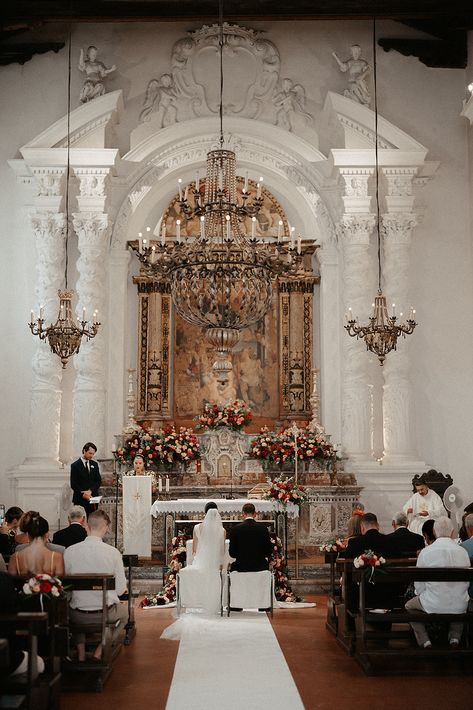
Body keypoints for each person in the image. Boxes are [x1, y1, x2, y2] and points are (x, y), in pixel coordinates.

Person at [64, 510, 127, 662]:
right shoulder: (113, 553)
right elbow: (119, 590)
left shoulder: (69, 551)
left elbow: (65, 586)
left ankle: (80, 653)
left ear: (86, 525)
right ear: (105, 527)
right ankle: (99, 650)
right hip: (104, 613)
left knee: (74, 603)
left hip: (77, 614)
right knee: (125, 615)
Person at [405, 517, 470, 648]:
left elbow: (419, 585)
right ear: (452, 532)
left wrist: (426, 595)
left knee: (409, 606)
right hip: (459, 605)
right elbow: (466, 583)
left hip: (433, 603)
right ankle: (455, 638)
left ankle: (425, 641)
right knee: (461, 603)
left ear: (434, 532)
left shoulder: (425, 552)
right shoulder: (463, 552)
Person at [8, 513, 64, 577]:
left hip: (22, 587)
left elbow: (10, 583)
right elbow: (60, 582)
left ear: (28, 535)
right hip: (48, 587)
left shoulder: (15, 558)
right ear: (47, 534)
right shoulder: (57, 557)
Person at [228, 503, 273, 572]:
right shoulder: (263, 529)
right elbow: (268, 552)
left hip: (241, 567)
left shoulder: (235, 529)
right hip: (260, 567)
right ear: (255, 514)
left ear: (243, 514)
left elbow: (232, 553)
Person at [70, 442, 101, 517]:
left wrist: (90, 491)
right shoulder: (75, 465)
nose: (91, 456)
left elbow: (98, 481)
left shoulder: (95, 464)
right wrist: (83, 494)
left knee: (92, 522)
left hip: (92, 499)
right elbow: (73, 484)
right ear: (84, 451)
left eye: (93, 454)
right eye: (90, 453)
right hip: (80, 499)